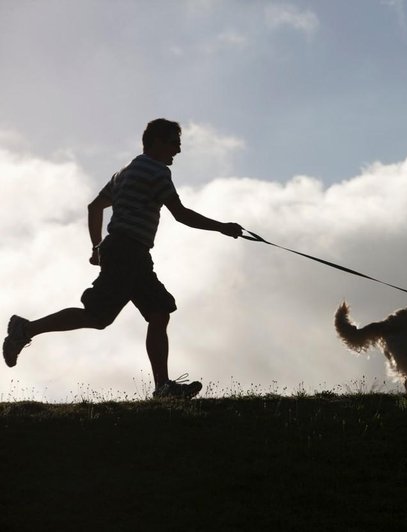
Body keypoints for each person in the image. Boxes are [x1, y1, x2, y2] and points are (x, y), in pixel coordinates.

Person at [3, 118, 243, 399]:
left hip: (126, 251)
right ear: (156, 142)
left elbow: (94, 207)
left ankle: (163, 386)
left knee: (154, 312)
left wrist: (96, 246)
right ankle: (24, 329)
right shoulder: (156, 172)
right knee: (109, 315)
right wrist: (222, 227)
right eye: (173, 143)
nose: (177, 151)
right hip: (128, 251)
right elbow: (180, 214)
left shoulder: (125, 172)